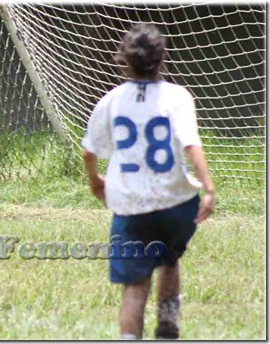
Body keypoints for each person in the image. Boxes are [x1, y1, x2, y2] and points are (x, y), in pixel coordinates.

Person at [81, 24, 214, 340]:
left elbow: (89, 152)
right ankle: (168, 319)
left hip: (130, 206)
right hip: (176, 203)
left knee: (135, 284)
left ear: (124, 60)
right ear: (162, 58)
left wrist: (95, 181)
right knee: (170, 257)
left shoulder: (111, 100)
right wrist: (208, 187)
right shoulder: (177, 96)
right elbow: (191, 145)